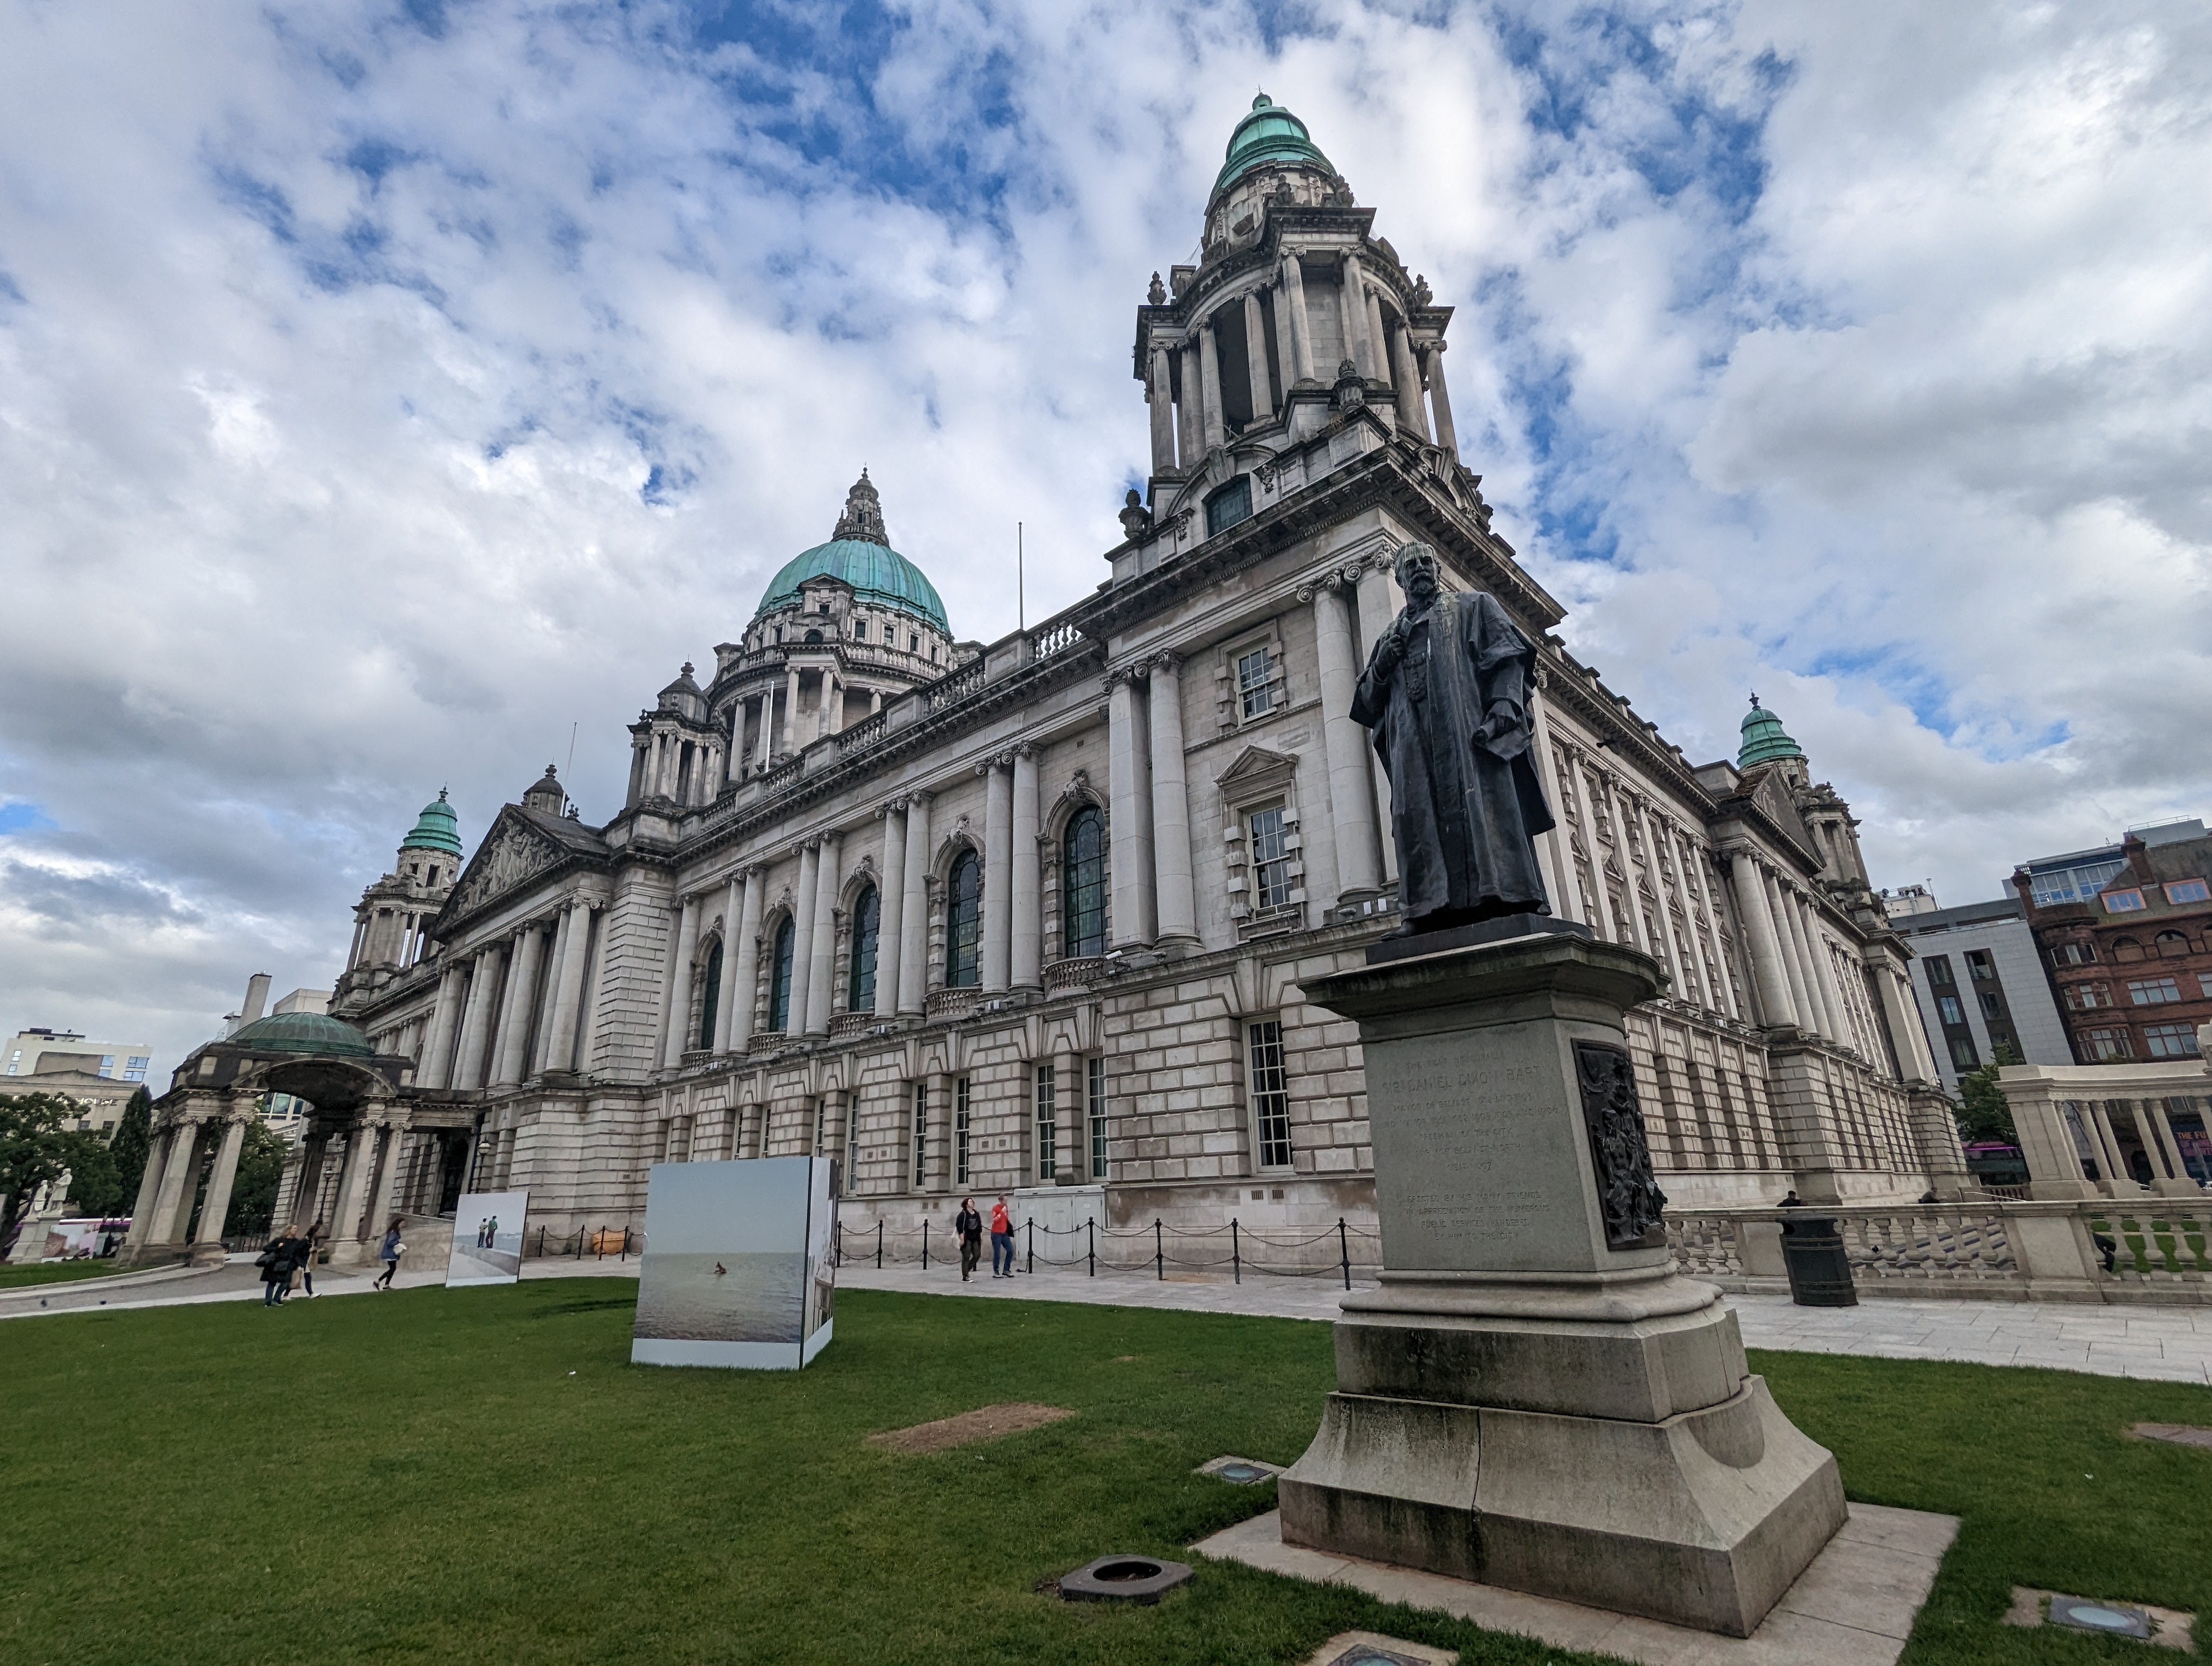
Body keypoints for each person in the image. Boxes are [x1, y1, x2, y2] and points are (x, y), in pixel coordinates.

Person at [1351, 541, 1555, 935]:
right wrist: (1381, 666)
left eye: (1426, 561)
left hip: (1465, 733)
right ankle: (1426, 910)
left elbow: (1509, 658)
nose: (1420, 568)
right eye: (1411, 564)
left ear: (1438, 569)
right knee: (1416, 819)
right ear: (1399, 578)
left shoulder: (1473, 607)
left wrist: (1503, 705)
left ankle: (1502, 898)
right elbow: (1365, 704)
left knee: (1483, 809)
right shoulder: (1390, 637)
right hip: (1414, 745)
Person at [259, 1224, 300, 1306]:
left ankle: (277, 1299)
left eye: (297, 1228)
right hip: (275, 1264)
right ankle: (268, 1302)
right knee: (272, 1282)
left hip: (288, 1265)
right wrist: (278, 1247)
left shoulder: (296, 1242)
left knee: (286, 1283)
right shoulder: (279, 1240)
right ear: (289, 1230)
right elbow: (266, 1249)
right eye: (295, 1228)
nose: (296, 1230)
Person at [955, 1198, 983, 1282]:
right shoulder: (963, 1214)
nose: (972, 1202)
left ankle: (967, 1269)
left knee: (977, 1254)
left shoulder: (977, 1214)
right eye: (970, 1201)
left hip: (976, 1237)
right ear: (966, 1204)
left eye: (972, 1201)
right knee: (966, 1256)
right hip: (967, 1237)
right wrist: (962, 1237)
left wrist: (981, 1236)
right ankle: (965, 1276)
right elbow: (960, 1226)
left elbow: (980, 1226)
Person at [373, 1219, 405, 1290]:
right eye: (402, 1223)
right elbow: (390, 1242)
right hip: (390, 1253)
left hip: (392, 1253)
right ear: (398, 1223)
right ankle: (378, 1281)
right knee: (393, 1268)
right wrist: (398, 1243)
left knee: (392, 1269)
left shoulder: (395, 1231)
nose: (403, 1225)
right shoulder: (393, 1232)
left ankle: (386, 1285)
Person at [297, 1218, 324, 1298]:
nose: (320, 1233)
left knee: (307, 1277)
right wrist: (310, 1250)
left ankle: (311, 1294)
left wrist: (315, 1251)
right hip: (301, 1262)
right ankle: (284, 1294)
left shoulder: (312, 1241)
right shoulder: (305, 1241)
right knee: (296, 1279)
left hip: (305, 1262)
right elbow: (300, 1252)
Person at [989, 1196, 1014, 1279]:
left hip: (1004, 1233)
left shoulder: (1006, 1208)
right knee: (997, 1252)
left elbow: (1006, 1219)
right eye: (1005, 1200)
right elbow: (994, 1220)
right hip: (996, 1233)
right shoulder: (995, 1208)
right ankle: (996, 1270)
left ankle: (1006, 1269)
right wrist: (1002, 1212)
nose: (1006, 1202)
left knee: (1010, 1250)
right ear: (1000, 1200)